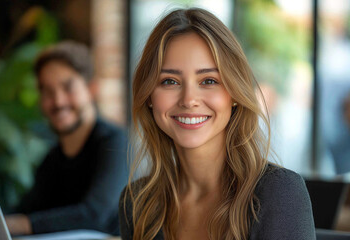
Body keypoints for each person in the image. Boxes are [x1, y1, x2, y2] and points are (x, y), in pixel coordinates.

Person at [119, 8, 316, 240]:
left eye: (209, 80)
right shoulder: (137, 203)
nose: (189, 100)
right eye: (170, 81)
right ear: (149, 96)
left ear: (234, 93)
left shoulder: (279, 194)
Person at [5, 41, 128, 236]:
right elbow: (26, 209)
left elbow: (95, 214)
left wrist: (19, 224)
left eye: (68, 87)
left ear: (91, 89)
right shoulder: (53, 159)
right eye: (47, 91)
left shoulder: (116, 143)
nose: (58, 101)